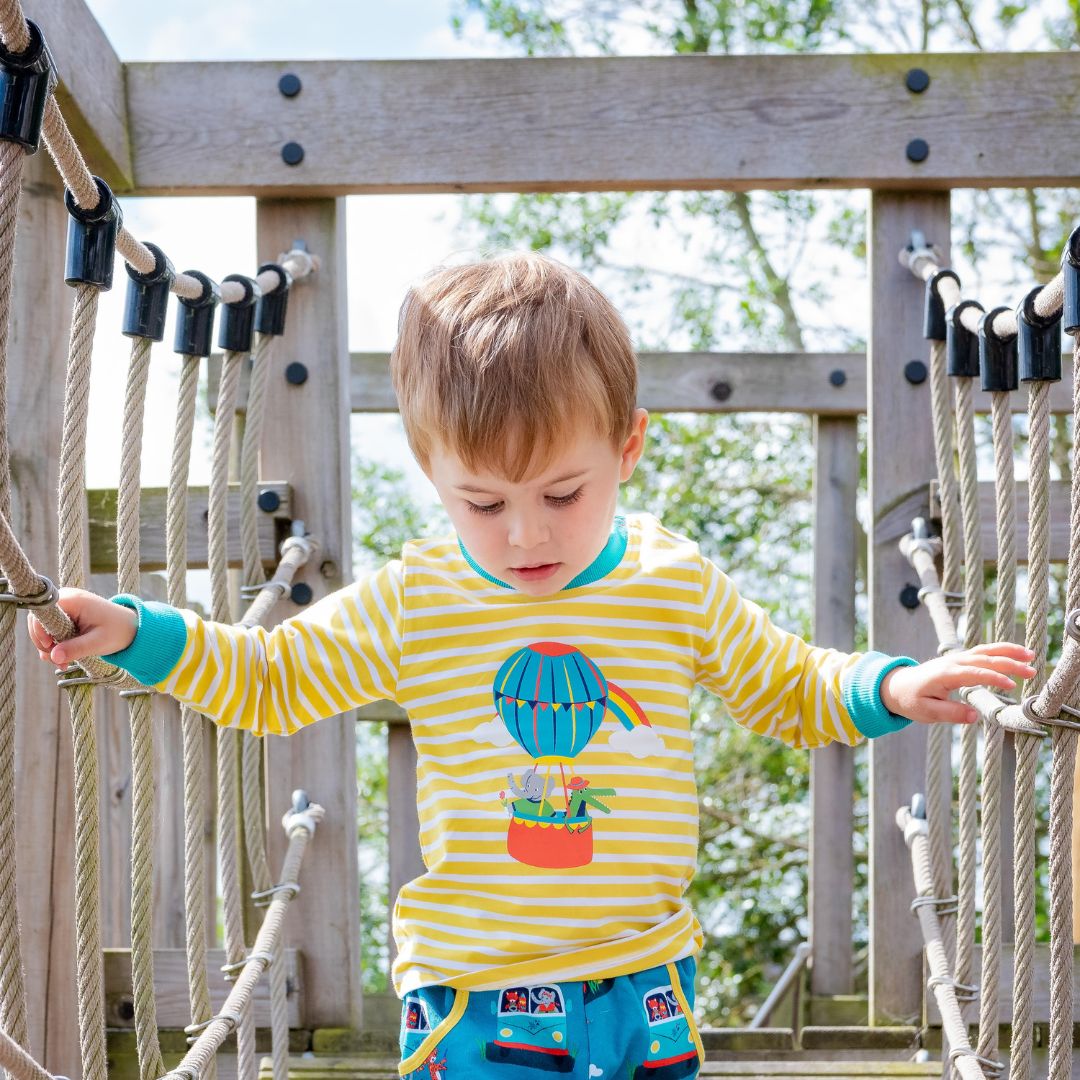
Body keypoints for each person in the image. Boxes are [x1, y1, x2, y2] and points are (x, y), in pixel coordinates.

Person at [29, 252, 1034, 1080]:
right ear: (433, 474)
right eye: (482, 501)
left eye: (561, 493)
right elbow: (271, 678)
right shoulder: (418, 596)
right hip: (474, 993)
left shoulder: (668, 580)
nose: (521, 536)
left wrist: (896, 684)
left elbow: (786, 685)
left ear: (628, 446)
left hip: (649, 985)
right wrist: (132, 628)